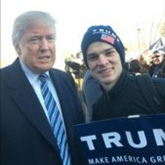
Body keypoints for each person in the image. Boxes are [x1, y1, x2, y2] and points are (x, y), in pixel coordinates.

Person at [0, 11, 85, 165]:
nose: (45, 47)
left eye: (50, 38)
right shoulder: (3, 84)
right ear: (17, 46)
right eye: (35, 39)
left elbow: (78, 136)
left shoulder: (65, 80)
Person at [81, 25, 165, 121]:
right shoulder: (98, 110)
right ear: (87, 64)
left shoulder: (158, 90)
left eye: (109, 53)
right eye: (93, 57)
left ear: (120, 56)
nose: (103, 62)